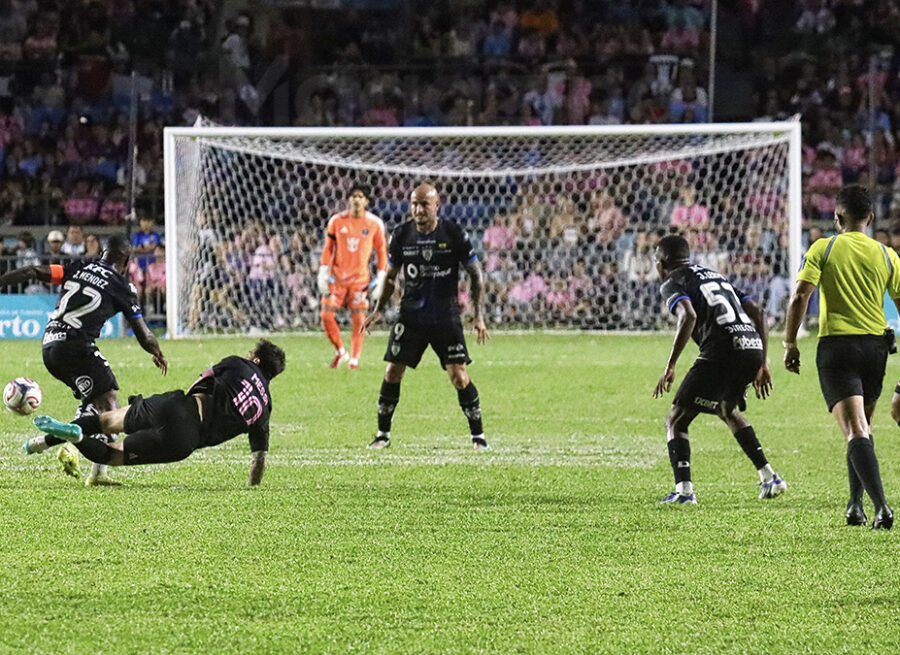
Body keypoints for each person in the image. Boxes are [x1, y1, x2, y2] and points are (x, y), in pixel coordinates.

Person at [0, 235, 167, 486]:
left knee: (95, 400)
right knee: (111, 408)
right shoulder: (122, 286)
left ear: (103, 253)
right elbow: (143, 333)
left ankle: (75, 457)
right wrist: (157, 352)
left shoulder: (78, 267)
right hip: (77, 348)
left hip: (50, 346)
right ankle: (71, 449)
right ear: (127, 261)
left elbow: (34, 271)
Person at [784, 185, 897, 529]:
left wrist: (790, 342)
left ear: (837, 217)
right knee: (862, 426)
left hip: (838, 347)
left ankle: (881, 507)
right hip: (876, 348)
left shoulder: (825, 247)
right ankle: (854, 505)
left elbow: (801, 295)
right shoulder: (887, 254)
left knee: (855, 430)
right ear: (870, 218)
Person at [33, 340, 285, 487]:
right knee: (113, 455)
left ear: (257, 361)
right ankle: (76, 438)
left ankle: (47, 440)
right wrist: (253, 488)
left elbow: (203, 378)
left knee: (107, 421)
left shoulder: (239, 363)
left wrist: (178, 404)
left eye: (253, 354)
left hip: (177, 407)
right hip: (184, 441)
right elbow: (259, 460)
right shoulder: (265, 410)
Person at [653, 234, 786, 504]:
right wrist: (761, 361)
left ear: (662, 263)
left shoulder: (673, 281)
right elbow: (758, 313)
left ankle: (684, 492)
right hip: (751, 345)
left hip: (722, 351)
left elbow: (688, 315)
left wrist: (671, 364)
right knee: (725, 408)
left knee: (676, 421)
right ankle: (769, 477)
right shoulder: (715, 276)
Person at [361, 183, 490, 450]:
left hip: (445, 317)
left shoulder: (453, 233)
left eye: (424, 205)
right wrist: (378, 310)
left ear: (436, 206)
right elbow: (391, 278)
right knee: (392, 371)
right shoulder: (401, 235)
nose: (418, 210)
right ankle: (382, 435)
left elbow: (476, 275)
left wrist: (479, 316)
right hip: (411, 317)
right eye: (414, 204)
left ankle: (479, 437)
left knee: (459, 377)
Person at [317, 183, 387, 369]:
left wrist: (381, 276)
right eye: (353, 196)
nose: (356, 199)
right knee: (326, 315)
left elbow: (381, 251)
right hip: (336, 279)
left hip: (359, 281)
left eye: (360, 196)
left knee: (359, 319)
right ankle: (341, 351)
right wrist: (323, 271)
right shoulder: (337, 221)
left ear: (366, 201)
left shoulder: (374, 223)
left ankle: (355, 359)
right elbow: (328, 248)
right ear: (348, 199)